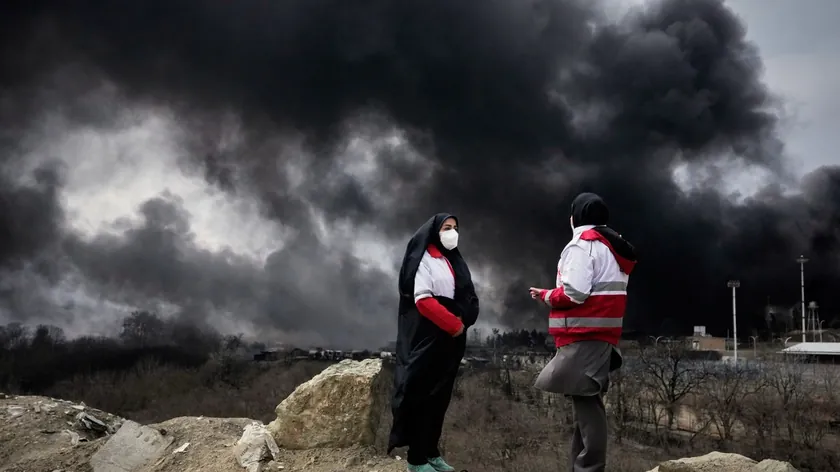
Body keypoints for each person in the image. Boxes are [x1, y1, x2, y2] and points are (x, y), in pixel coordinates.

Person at [528, 192, 637, 472]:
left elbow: (575, 293)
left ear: (575, 217)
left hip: (584, 333)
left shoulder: (582, 245)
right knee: (583, 402)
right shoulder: (613, 246)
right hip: (600, 334)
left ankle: (589, 468)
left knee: (588, 405)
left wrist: (547, 295)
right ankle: (581, 466)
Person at [389, 213, 480, 472]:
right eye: (446, 228)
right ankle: (416, 461)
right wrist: (454, 325)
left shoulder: (453, 260)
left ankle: (431, 452)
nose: (452, 233)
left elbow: (467, 294)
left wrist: (465, 318)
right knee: (422, 397)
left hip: (449, 343)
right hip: (428, 339)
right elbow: (423, 299)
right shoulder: (423, 260)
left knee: (440, 399)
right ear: (433, 232)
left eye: (455, 228)